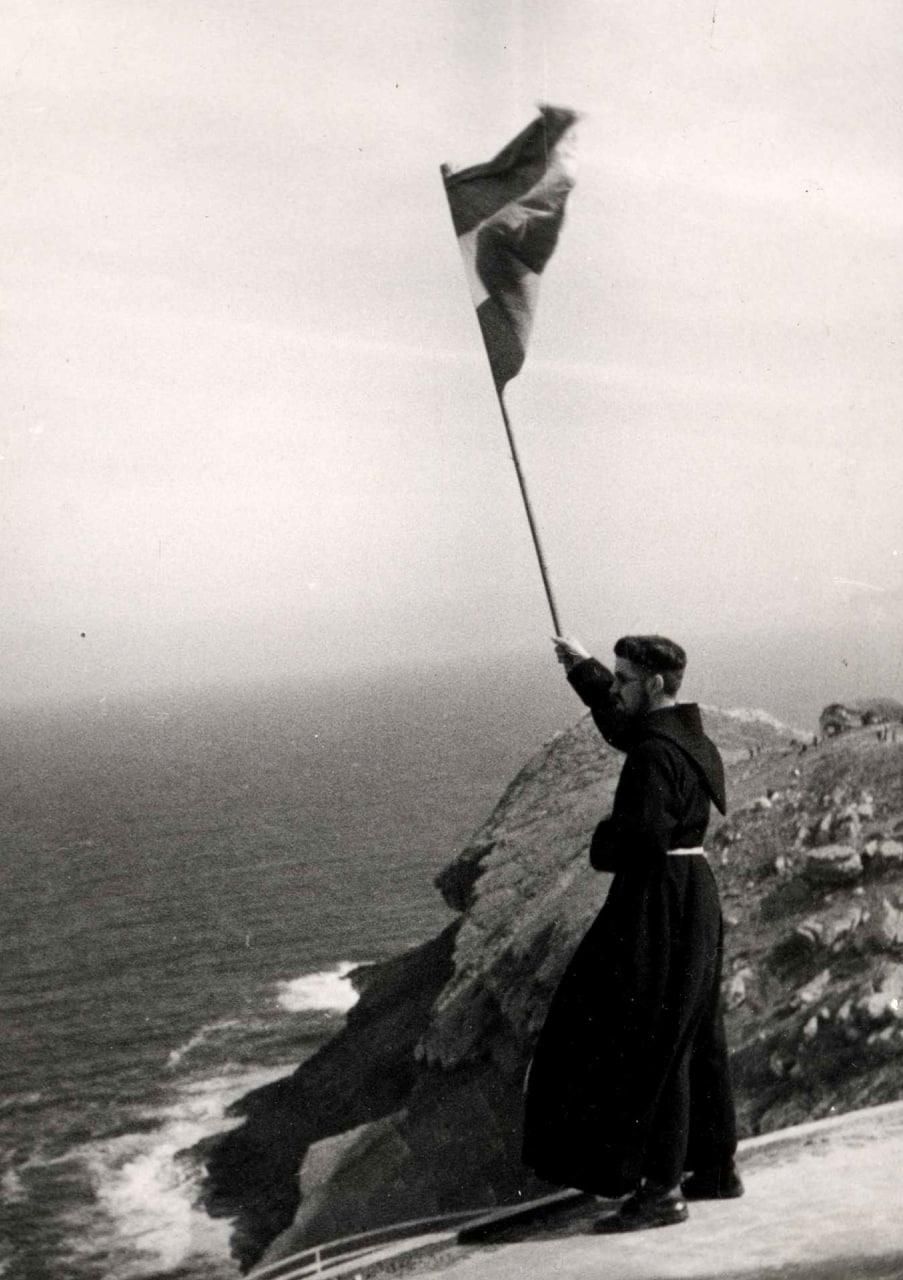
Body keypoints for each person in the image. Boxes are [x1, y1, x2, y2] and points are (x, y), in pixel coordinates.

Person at [522, 633, 741, 1233]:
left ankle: (661, 1191)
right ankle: (715, 1169)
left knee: (650, 1036)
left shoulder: (652, 756)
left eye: (622, 680)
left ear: (653, 684)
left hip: (658, 898)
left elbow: (637, 840)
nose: (615, 689)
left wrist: (599, 841)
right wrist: (584, 672)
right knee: (696, 1031)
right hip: (696, 891)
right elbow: (627, 729)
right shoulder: (689, 739)